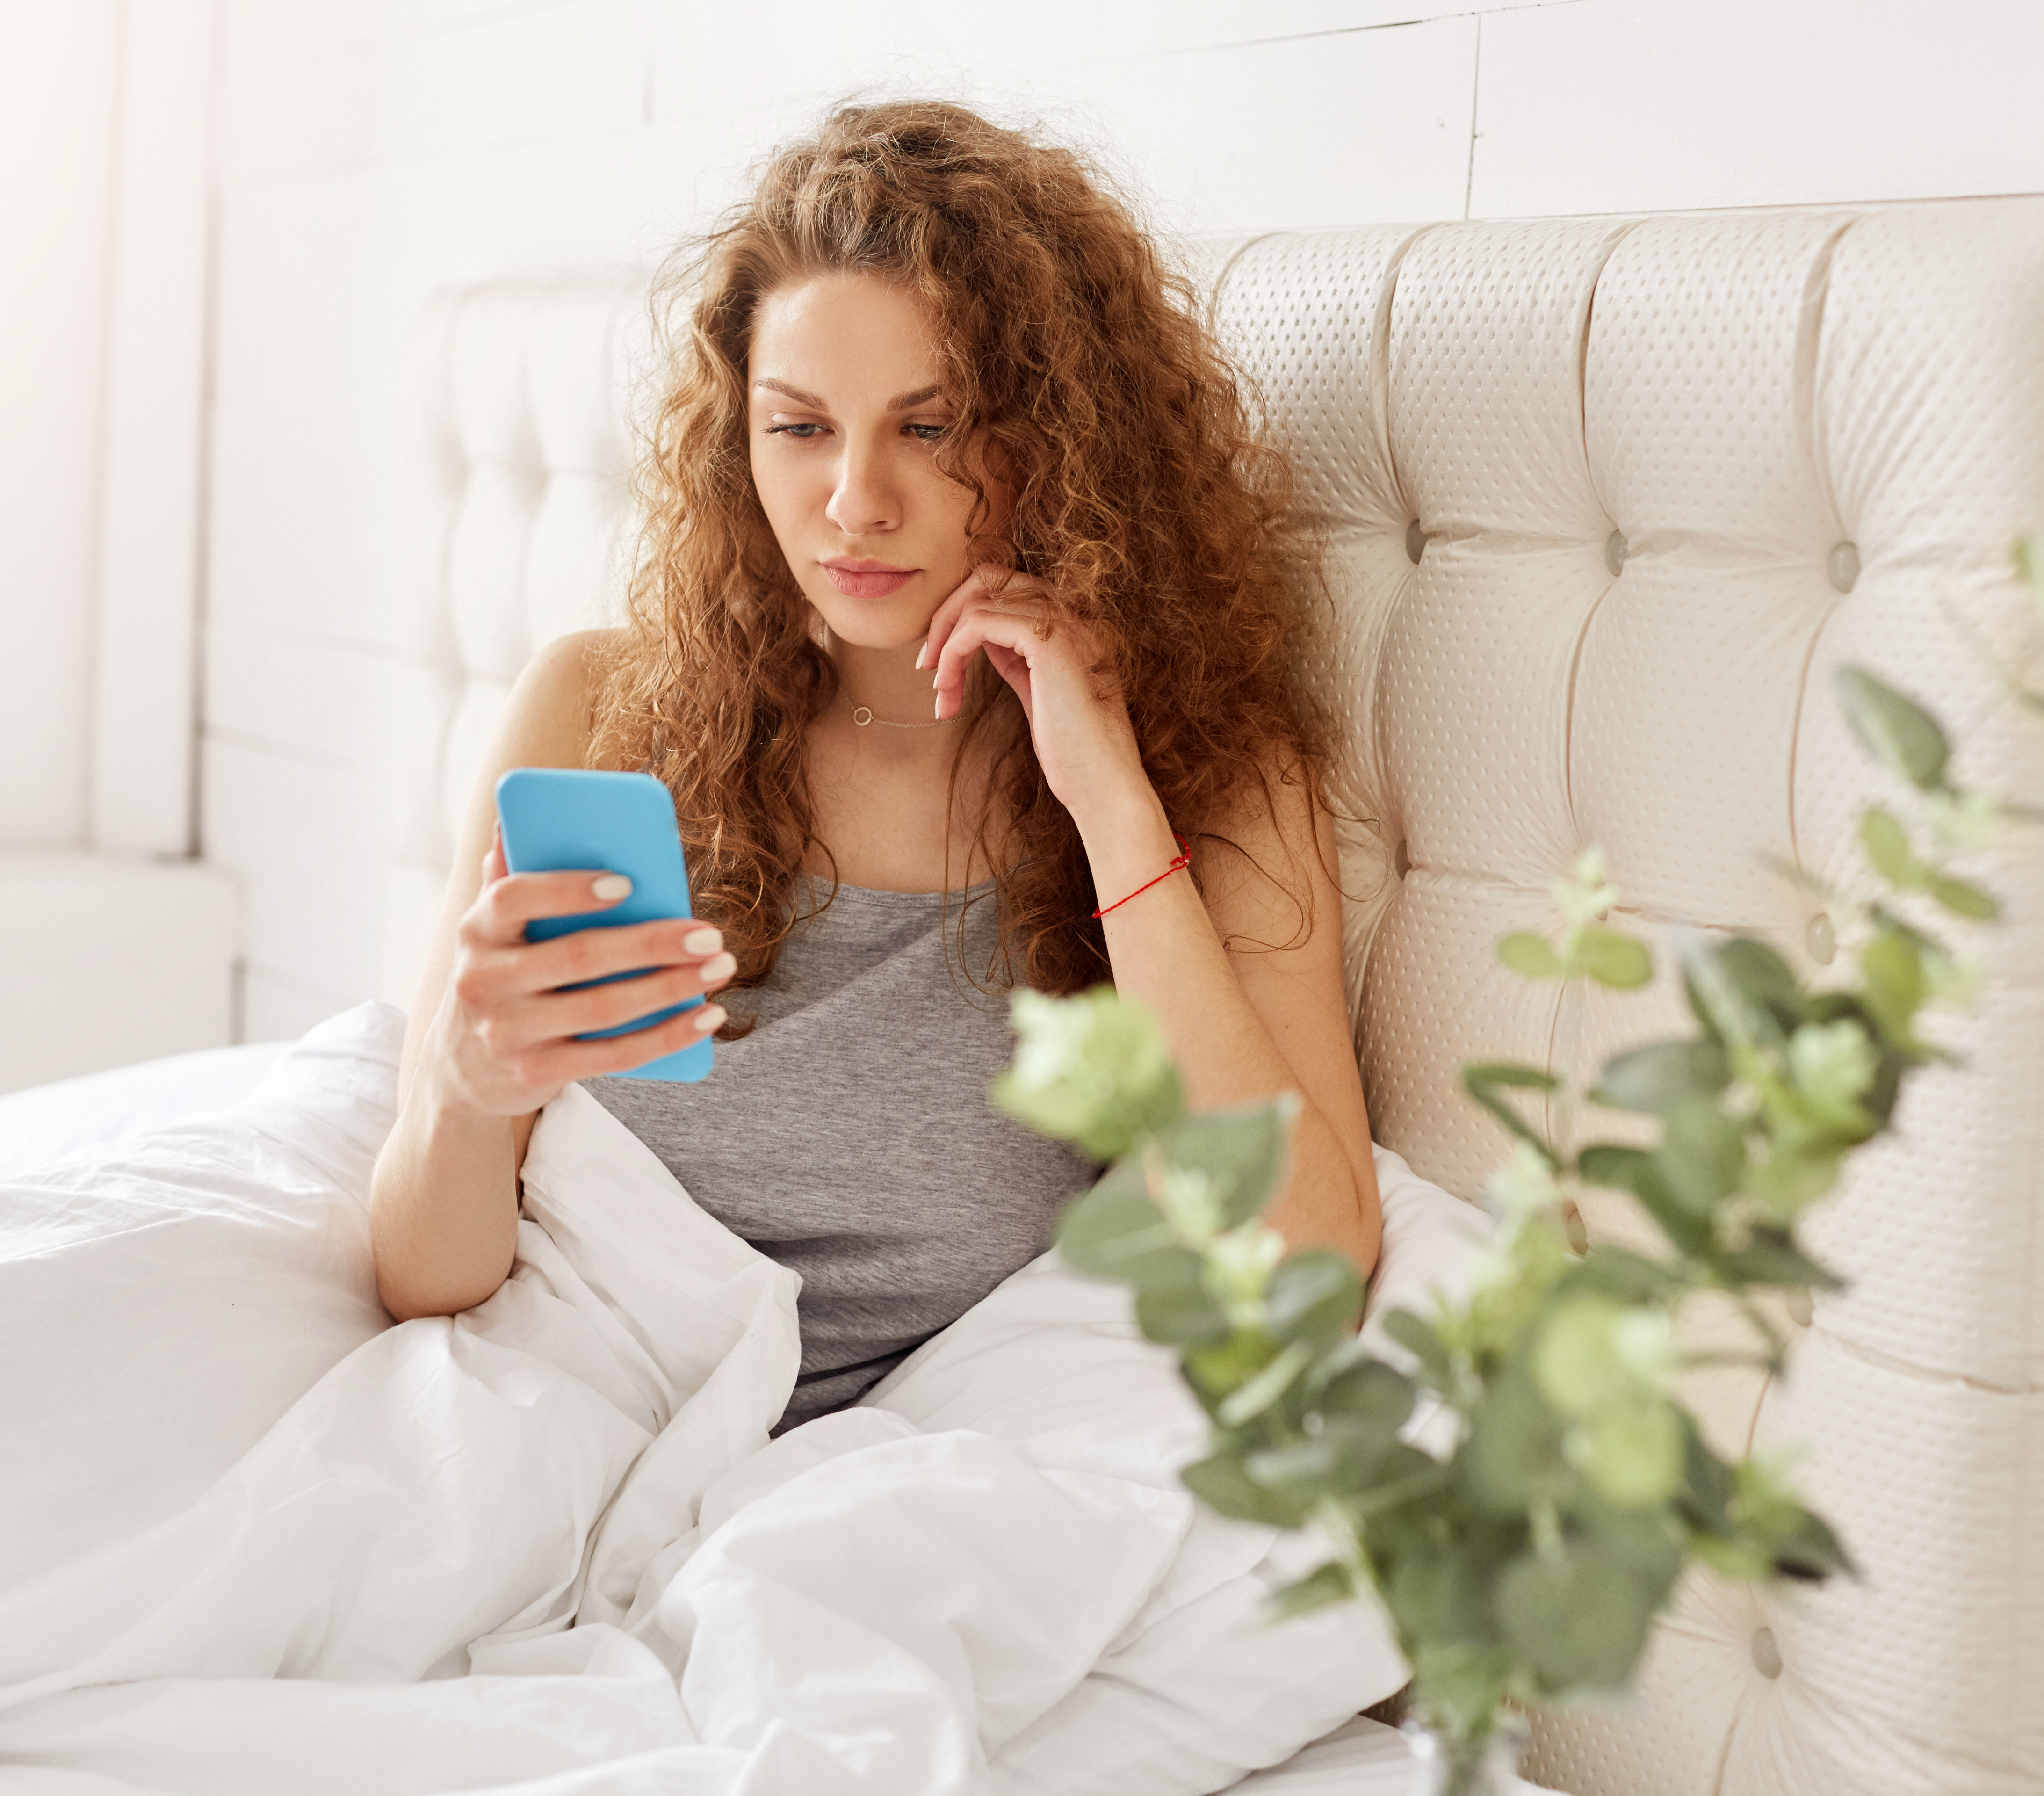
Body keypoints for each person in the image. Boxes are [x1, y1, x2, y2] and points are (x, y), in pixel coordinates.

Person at [368, 100, 1380, 1431]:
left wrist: (1115, 811)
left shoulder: (1212, 780)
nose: (855, 501)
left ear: (1057, 443)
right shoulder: (595, 711)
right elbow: (423, 1279)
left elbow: (1311, 1257)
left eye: (932, 425)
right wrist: (460, 1085)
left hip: (892, 1489)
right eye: (799, 429)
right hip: (554, 1417)